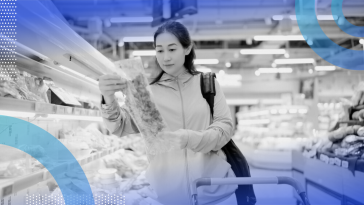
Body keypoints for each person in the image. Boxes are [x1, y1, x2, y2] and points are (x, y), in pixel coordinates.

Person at [99, 21, 238, 205]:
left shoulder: (207, 84)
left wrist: (190, 138)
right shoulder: (146, 92)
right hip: (167, 195)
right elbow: (120, 127)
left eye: (172, 49)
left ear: (187, 49)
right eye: (160, 50)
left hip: (213, 190)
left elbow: (225, 127)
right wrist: (108, 98)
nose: (165, 57)